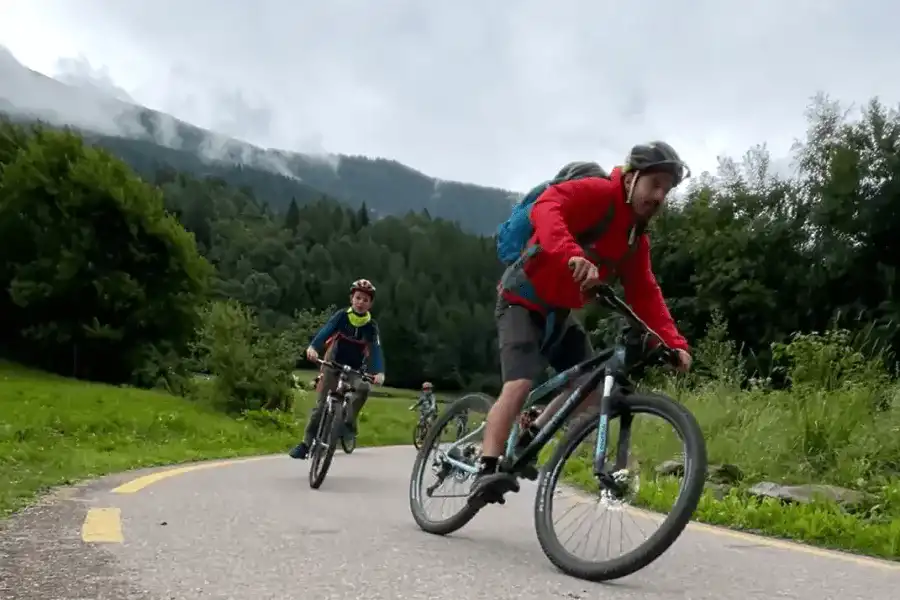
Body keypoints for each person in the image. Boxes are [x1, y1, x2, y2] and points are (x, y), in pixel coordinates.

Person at [470, 141, 694, 505]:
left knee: (588, 388)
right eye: (654, 184)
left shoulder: (636, 239)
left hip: (560, 312)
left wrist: (673, 342)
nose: (659, 196)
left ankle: (530, 437)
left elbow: (645, 292)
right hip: (521, 298)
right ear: (631, 177)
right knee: (520, 382)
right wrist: (572, 254)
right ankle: (486, 467)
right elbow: (549, 206)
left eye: (667, 190)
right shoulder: (600, 193)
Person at [289, 279, 386, 459]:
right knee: (320, 407)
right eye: (358, 298)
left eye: (365, 300)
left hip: (355, 369)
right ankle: (305, 444)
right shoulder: (342, 316)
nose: (361, 302)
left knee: (364, 388)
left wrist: (379, 372)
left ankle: (348, 423)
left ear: (370, 304)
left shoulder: (371, 326)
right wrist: (313, 347)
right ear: (351, 299)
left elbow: (376, 349)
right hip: (332, 364)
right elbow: (326, 330)